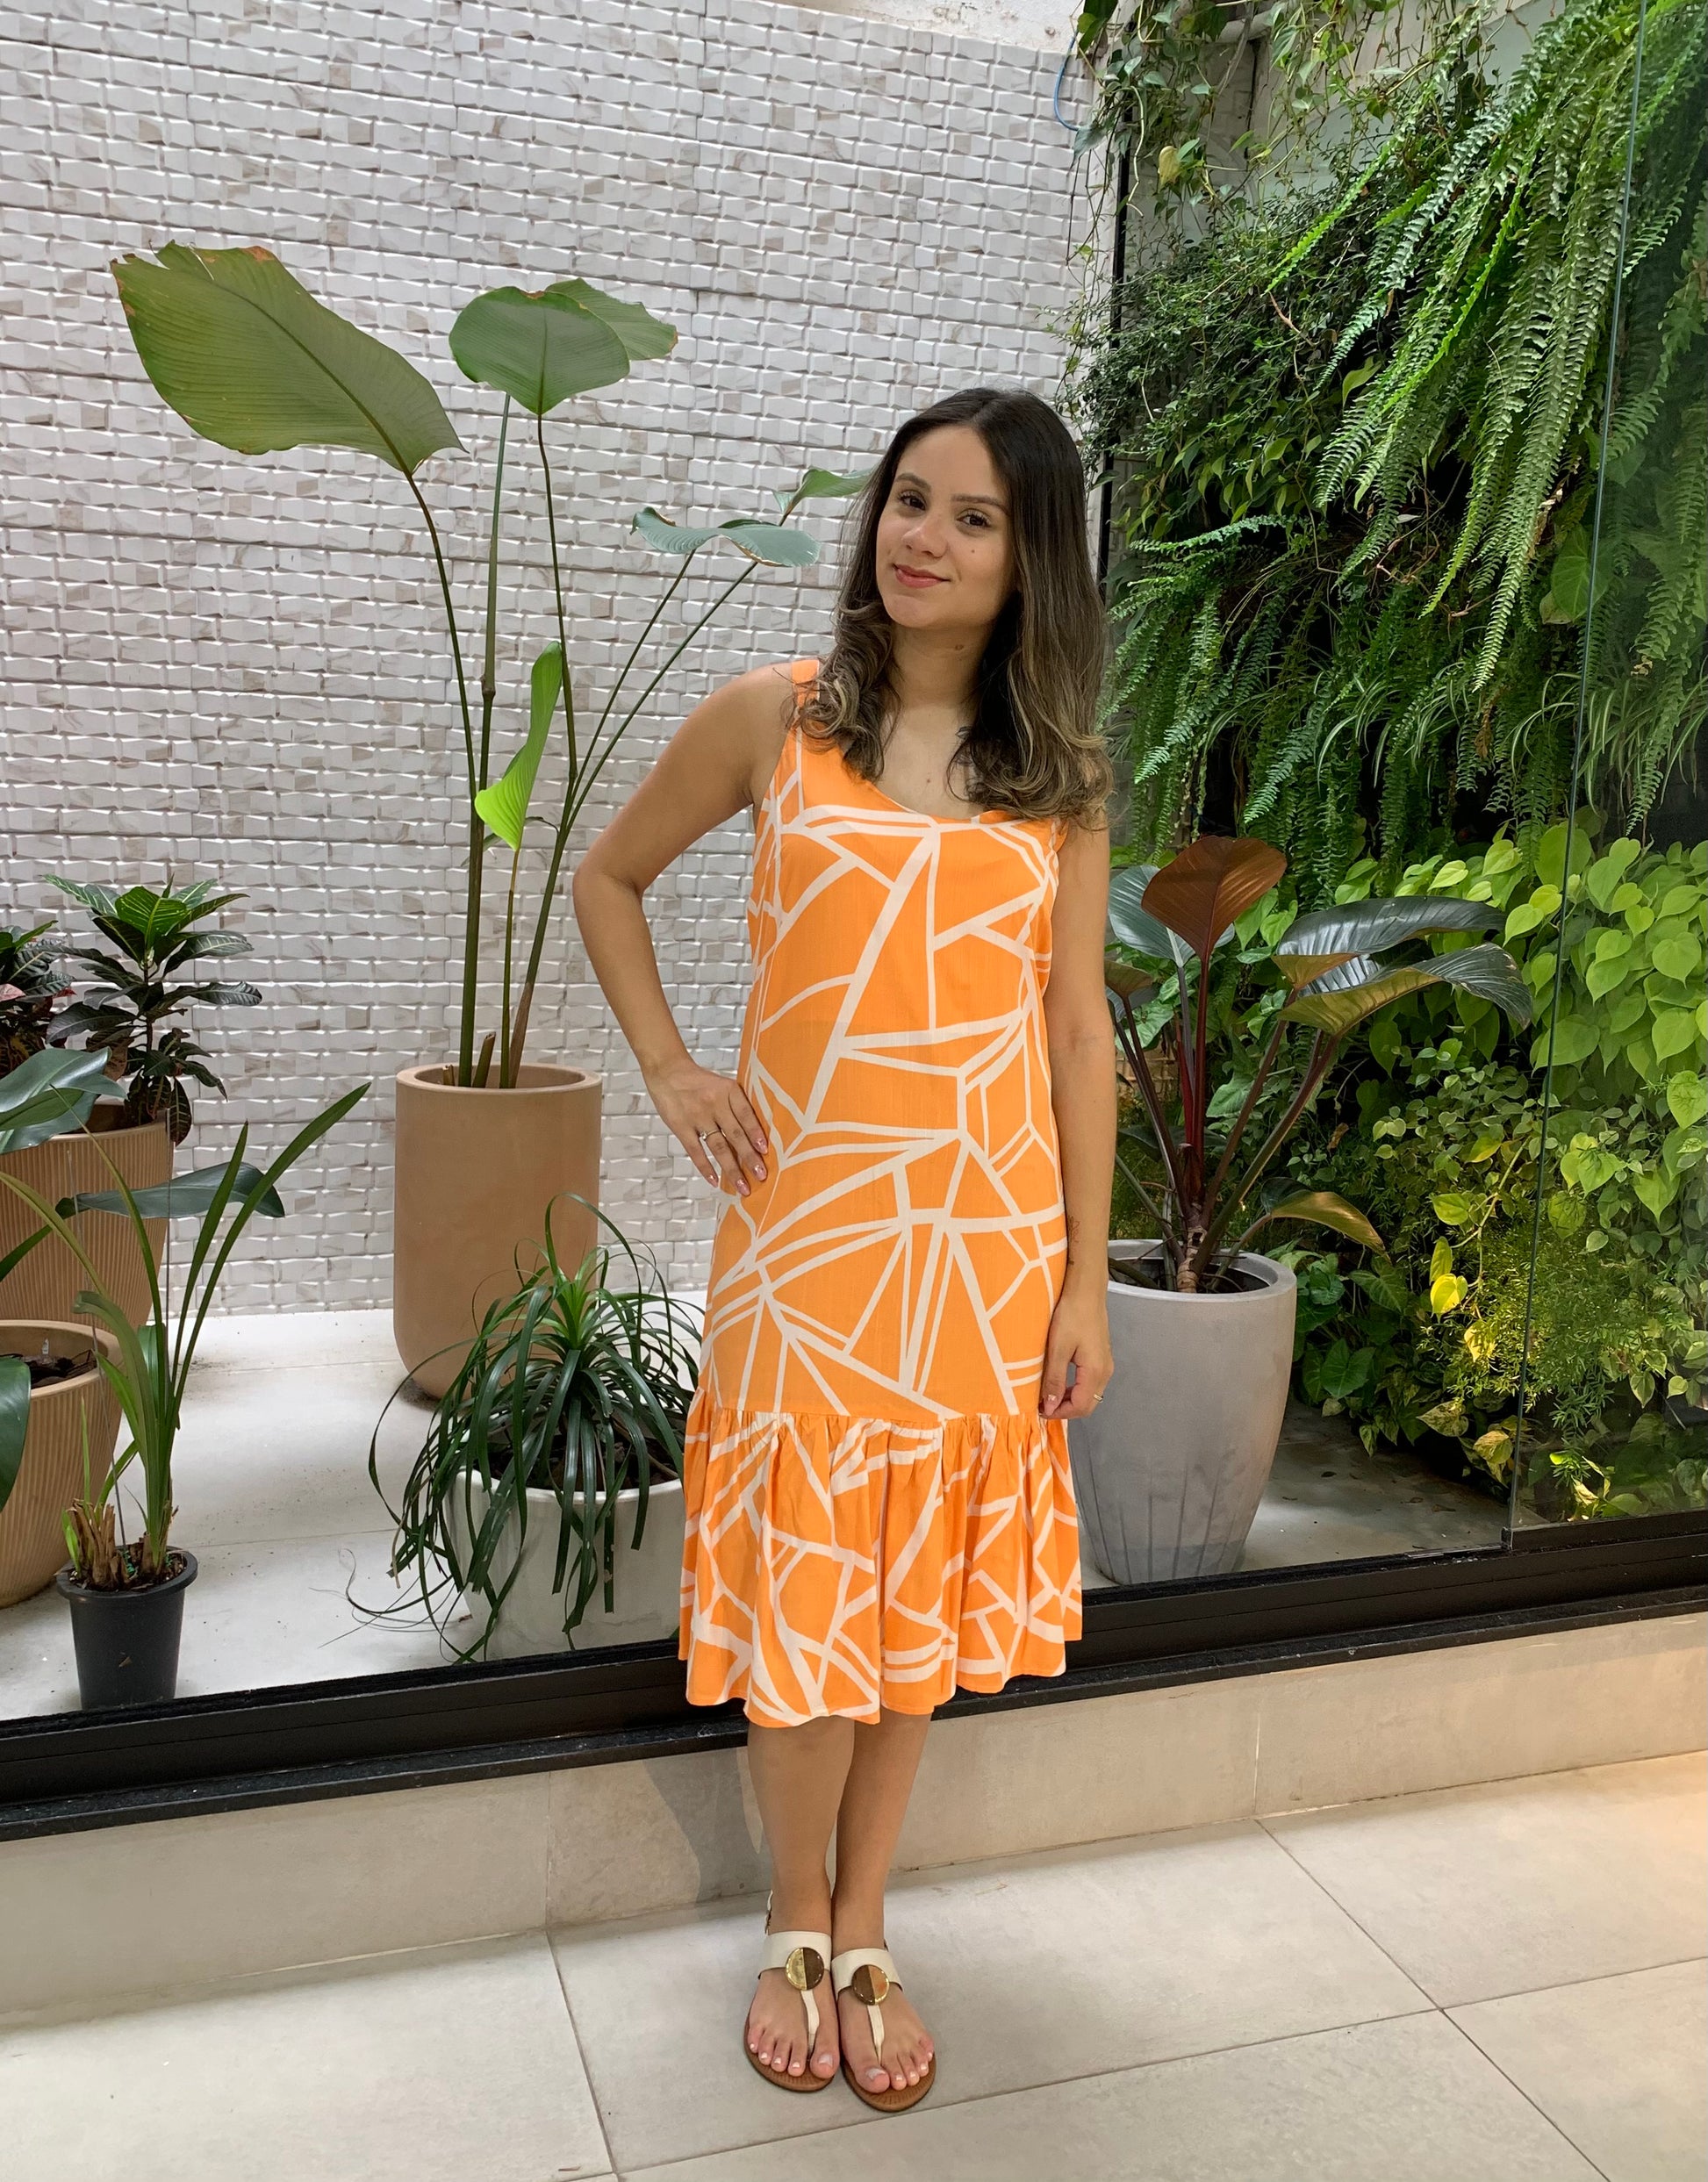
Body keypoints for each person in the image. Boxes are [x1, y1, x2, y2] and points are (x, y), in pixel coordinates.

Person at [573, 386, 1116, 2114]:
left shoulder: (1061, 782)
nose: (921, 537)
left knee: (912, 1601)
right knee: (812, 1590)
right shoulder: (777, 719)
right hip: (806, 1243)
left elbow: (1077, 1032)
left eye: (972, 516)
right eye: (908, 498)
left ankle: (864, 1923)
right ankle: (790, 1919)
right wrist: (674, 1068)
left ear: (1030, 560)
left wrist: (1084, 1278)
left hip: (981, 1250)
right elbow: (606, 878)